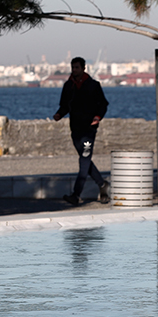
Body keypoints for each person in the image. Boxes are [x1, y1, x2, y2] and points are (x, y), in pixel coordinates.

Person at [53, 56, 111, 205]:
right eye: (72, 68)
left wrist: (97, 117)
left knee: (84, 160)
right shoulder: (68, 86)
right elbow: (65, 105)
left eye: (77, 67)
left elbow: (103, 104)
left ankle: (76, 194)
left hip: (89, 130)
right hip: (75, 129)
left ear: (84, 68)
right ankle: (102, 185)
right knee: (85, 160)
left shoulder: (93, 85)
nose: (74, 70)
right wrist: (59, 114)